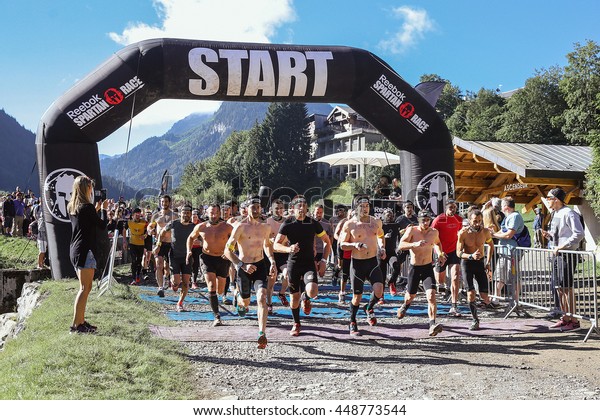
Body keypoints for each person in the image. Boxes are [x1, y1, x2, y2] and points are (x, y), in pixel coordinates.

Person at [274, 195, 331, 336]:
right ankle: (296, 323)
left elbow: (327, 241)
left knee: (312, 291)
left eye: (305, 207)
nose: (302, 210)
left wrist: (323, 260)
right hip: (293, 264)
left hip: (308, 263)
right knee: (294, 298)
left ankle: (306, 298)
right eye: (299, 207)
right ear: (292, 209)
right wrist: (289, 249)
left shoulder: (312, 223)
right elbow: (276, 245)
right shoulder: (287, 223)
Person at [224, 196, 276, 349]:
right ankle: (239, 297)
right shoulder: (240, 226)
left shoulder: (265, 227)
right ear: (246, 209)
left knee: (262, 297)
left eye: (258, 207)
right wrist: (242, 265)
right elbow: (227, 250)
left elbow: (267, 245)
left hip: (260, 265)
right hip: (243, 267)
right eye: (252, 207)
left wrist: (272, 261)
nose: (255, 210)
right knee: (246, 303)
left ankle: (262, 333)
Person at [67, 175, 110, 334]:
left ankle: (81, 322)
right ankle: (76, 325)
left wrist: (96, 209)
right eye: (90, 187)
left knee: (86, 287)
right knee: (84, 288)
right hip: (85, 250)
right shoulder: (87, 208)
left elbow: (85, 221)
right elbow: (101, 225)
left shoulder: (73, 207)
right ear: (86, 189)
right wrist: (104, 210)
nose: (92, 190)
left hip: (76, 249)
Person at [339, 196, 386, 335]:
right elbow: (342, 244)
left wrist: (382, 247)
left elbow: (381, 235)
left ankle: (369, 308)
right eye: (362, 206)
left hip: (372, 261)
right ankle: (352, 321)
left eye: (367, 206)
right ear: (356, 208)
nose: (365, 209)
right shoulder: (349, 224)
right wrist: (354, 245)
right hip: (357, 264)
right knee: (356, 297)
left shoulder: (376, 222)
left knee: (379, 290)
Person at [397, 209, 446, 337]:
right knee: (410, 296)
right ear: (418, 221)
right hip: (415, 267)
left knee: (431, 296)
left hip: (427, 268)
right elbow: (401, 245)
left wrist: (440, 253)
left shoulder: (434, 232)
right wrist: (414, 244)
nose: (425, 223)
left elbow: (437, 243)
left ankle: (432, 325)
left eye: (427, 220)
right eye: (423, 220)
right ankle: (405, 305)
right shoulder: (412, 230)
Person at [542, 188, 585, 331]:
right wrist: (549, 236)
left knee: (567, 288)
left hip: (566, 254)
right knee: (559, 288)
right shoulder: (555, 213)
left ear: (556, 199)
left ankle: (574, 320)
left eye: (548, 197)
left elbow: (578, 234)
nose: (547, 200)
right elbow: (562, 234)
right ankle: (565, 317)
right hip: (557, 254)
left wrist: (561, 246)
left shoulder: (569, 213)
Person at [187, 203, 233, 326]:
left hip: (223, 259)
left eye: (215, 213)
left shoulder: (227, 227)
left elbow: (235, 241)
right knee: (211, 286)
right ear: (207, 213)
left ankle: (225, 296)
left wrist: (229, 251)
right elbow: (190, 238)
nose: (213, 215)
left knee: (220, 289)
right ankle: (217, 316)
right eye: (211, 213)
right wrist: (189, 251)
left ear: (219, 213)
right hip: (207, 258)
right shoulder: (201, 227)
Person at [456, 208, 495, 330]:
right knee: (471, 293)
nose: (477, 223)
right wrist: (470, 256)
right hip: (467, 263)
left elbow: (491, 245)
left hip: (480, 263)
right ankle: (475, 319)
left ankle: (484, 304)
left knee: (484, 296)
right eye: (474, 221)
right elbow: (458, 253)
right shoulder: (463, 233)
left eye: (479, 221)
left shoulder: (485, 232)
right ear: (469, 220)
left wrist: (488, 262)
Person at [158, 204, 195, 312]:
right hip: (175, 255)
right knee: (176, 282)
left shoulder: (193, 227)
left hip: (187, 256)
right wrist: (159, 244)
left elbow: (202, 237)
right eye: (184, 212)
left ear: (190, 214)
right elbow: (162, 232)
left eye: (188, 213)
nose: (186, 215)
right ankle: (173, 282)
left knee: (186, 282)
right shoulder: (174, 224)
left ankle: (180, 303)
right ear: (180, 213)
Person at [431, 199, 463, 315]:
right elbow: (433, 237)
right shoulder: (439, 219)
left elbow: (462, 234)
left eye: (454, 207)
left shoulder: (459, 219)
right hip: (441, 251)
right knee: (440, 279)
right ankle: (443, 284)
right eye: (450, 207)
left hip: (454, 251)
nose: (452, 209)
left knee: (455, 276)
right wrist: (438, 252)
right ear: (446, 208)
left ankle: (454, 305)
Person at [491, 196, 524, 304]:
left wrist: (495, 235)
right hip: (504, 252)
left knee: (514, 276)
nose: (500, 208)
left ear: (506, 207)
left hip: (512, 252)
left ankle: (516, 300)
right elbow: (502, 231)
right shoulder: (507, 217)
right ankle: (496, 297)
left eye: (501, 206)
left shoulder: (514, 217)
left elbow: (509, 234)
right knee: (500, 274)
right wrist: (493, 234)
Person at [148, 195, 175, 297]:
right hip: (159, 243)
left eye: (166, 202)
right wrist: (150, 230)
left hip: (171, 243)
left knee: (167, 267)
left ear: (169, 202)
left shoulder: (174, 215)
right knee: (158, 264)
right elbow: (150, 226)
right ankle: (160, 287)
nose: (164, 204)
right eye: (162, 202)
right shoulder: (156, 216)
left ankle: (166, 278)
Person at [266, 199, 290, 311]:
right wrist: (270, 239)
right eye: (276, 208)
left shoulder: (288, 221)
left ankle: (282, 293)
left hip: (283, 253)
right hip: (271, 254)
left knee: (287, 275)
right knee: (271, 279)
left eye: (281, 208)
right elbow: (263, 239)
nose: (279, 210)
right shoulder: (267, 221)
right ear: (271, 210)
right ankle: (269, 303)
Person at [394, 201, 418, 293]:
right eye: (407, 207)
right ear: (404, 208)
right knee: (398, 264)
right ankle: (396, 281)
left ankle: (411, 282)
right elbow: (396, 232)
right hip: (403, 244)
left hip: (413, 245)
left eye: (411, 207)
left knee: (413, 264)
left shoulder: (416, 219)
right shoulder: (400, 219)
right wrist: (406, 230)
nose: (409, 209)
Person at [333, 206, 352, 303]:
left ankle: (347, 291)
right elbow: (335, 234)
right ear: (347, 215)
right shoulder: (343, 222)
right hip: (342, 248)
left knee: (349, 272)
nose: (351, 217)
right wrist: (340, 239)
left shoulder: (356, 223)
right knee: (341, 267)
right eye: (350, 215)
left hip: (352, 249)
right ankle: (336, 273)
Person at [380, 208, 401, 298]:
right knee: (382, 275)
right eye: (388, 215)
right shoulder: (380, 225)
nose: (390, 216)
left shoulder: (396, 225)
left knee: (396, 266)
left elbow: (399, 237)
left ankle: (392, 282)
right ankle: (381, 295)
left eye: (391, 215)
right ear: (383, 215)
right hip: (381, 252)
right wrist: (384, 237)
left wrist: (400, 246)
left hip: (391, 251)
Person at [124, 208, 147, 285]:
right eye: (136, 215)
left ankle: (137, 276)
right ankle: (133, 278)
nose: (138, 217)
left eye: (139, 215)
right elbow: (124, 230)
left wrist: (145, 235)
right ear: (132, 215)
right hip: (132, 243)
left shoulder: (144, 222)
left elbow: (149, 230)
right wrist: (124, 241)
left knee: (139, 260)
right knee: (134, 260)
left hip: (141, 243)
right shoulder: (129, 222)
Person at [32, 198, 48, 269]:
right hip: (41, 234)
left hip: (46, 234)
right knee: (42, 251)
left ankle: (42, 264)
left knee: (44, 251)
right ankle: (39, 265)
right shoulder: (38, 209)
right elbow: (35, 216)